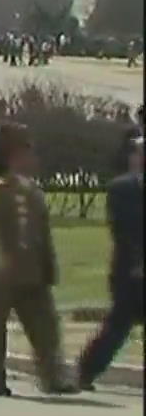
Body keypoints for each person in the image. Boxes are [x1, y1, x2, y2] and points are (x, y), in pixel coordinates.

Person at [0, 122, 77, 396]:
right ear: (13, 158)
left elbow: (42, 234)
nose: (31, 160)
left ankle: (53, 376)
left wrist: (48, 266)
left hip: (32, 272)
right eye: (26, 155)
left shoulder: (33, 192)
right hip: (2, 274)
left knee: (45, 326)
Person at [76, 137, 143, 390]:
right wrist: (137, 260)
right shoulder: (121, 188)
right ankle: (85, 371)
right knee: (118, 324)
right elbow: (121, 229)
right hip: (129, 268)